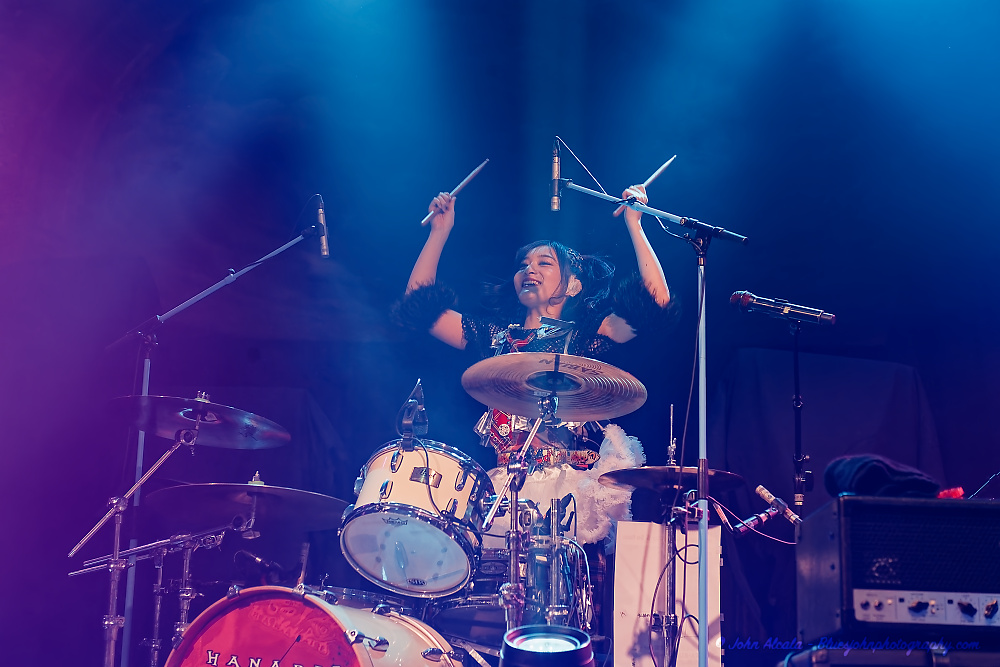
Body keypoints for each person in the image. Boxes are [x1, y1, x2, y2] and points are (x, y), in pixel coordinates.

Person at [392, 184, 674, 641]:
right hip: (509, 488)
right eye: (524, 264)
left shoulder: (588, 334)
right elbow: (419, 307)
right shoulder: (494, 338)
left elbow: (656, 304)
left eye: (545, 263)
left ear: (574, 284)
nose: (530, 269)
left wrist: (635, 225)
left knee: (568, 614)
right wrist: (440, 232)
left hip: (571, 490)